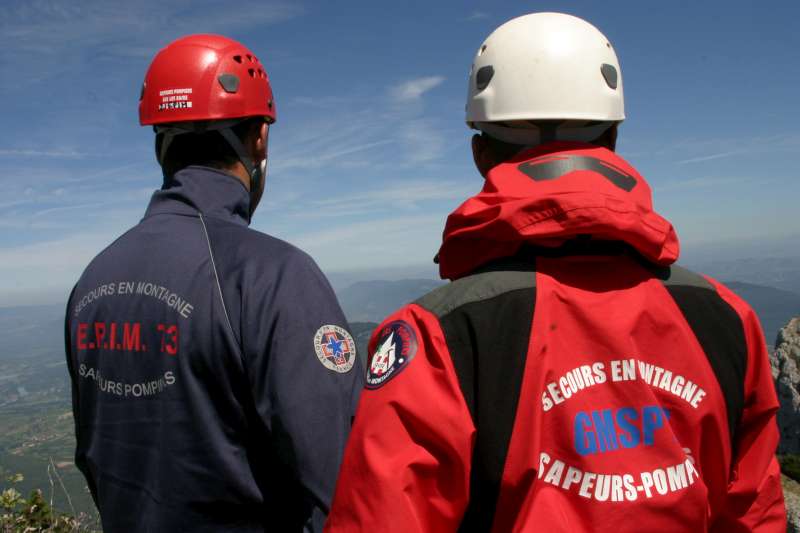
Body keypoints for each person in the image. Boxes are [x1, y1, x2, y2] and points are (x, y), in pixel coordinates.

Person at [325, 13, 786, 532]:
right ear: (612, 138)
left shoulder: (440, 338)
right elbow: (754, 514)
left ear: (481, 152)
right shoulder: (728, 319)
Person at [64, 34, 362, 532]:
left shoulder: (91, 280)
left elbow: (95, 456)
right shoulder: (273, 275)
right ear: (259, 139)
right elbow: (342, 482)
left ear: (160, 141)